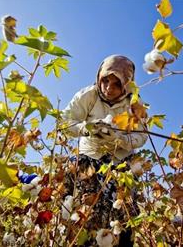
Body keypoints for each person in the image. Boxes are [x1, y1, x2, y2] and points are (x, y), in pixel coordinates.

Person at [62, 55, 147, 246]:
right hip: (88, 161)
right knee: (85, 215)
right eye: (106, 80)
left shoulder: (134, 104)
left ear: (126, 84)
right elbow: (65, 122)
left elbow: (141, 136)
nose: (109, 88)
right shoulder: (88, 96)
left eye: (117, 84)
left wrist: (120, 140)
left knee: (122, 218)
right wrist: (87, 128)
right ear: (99, 76)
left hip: (120, 166)